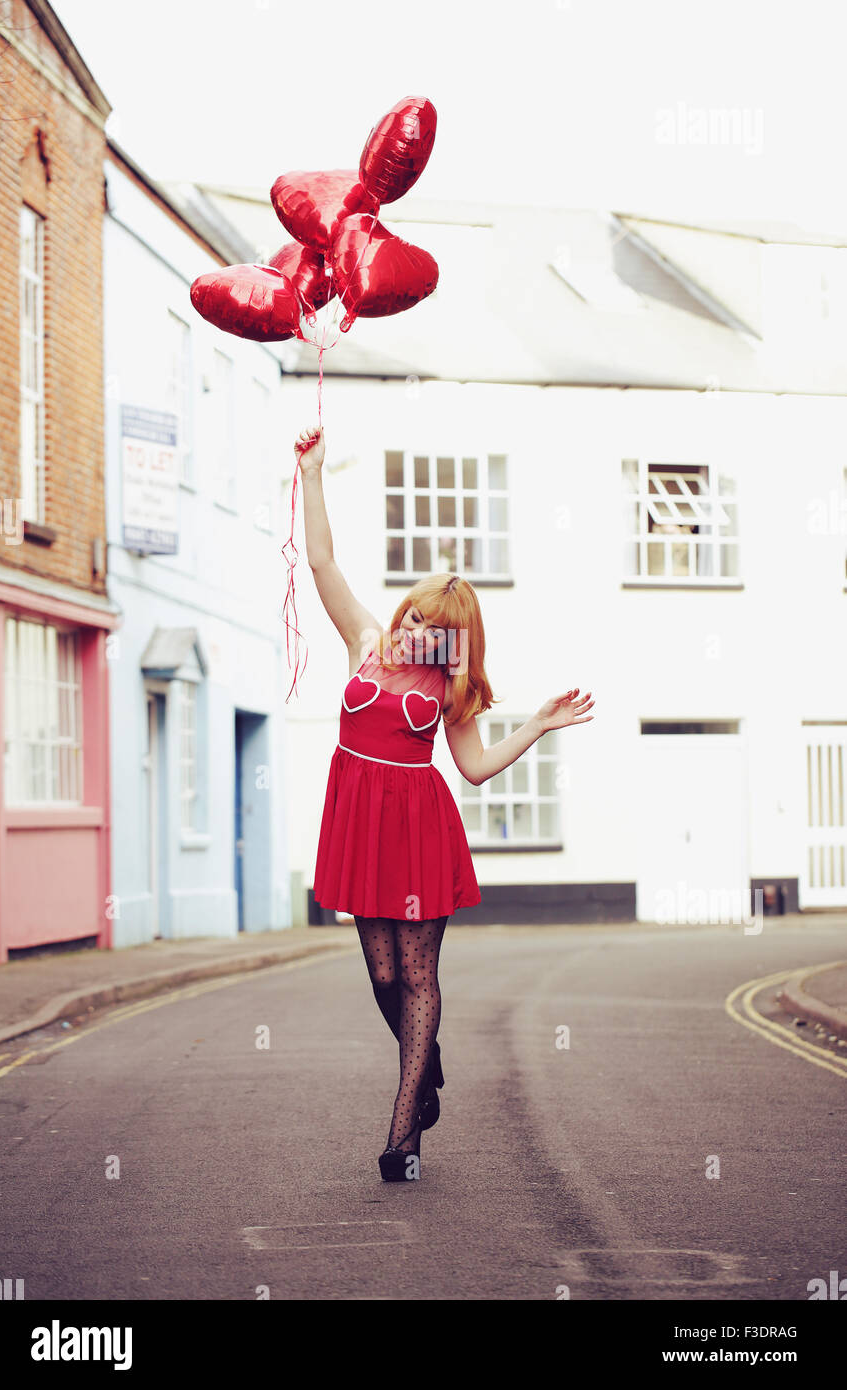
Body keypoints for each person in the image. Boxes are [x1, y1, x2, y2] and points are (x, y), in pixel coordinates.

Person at [296, 424, 595, 1182]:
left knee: (419, 978)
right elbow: (323, 561)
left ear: (456, 645)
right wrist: (313, 473)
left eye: (438, 628)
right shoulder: (365, 640)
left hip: (420, 829)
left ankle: (403, 1138)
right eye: (417, 614)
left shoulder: (452, 692)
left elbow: (476, 771)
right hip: (360, 823)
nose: (418, 628)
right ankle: (424, 1064)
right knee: (383, 979)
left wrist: (537, 723)